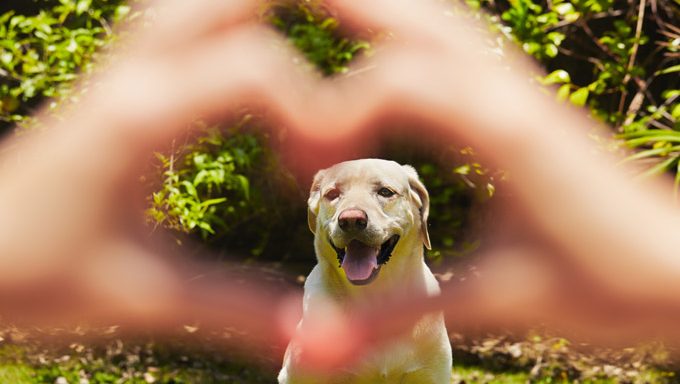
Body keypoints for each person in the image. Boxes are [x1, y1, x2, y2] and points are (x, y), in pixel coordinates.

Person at [1, 0, 679, 373]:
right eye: (333, 199)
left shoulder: (429, 298)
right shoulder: (317, 289)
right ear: (313, 216)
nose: (353, 212)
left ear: (419, 209)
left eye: (382, 195)